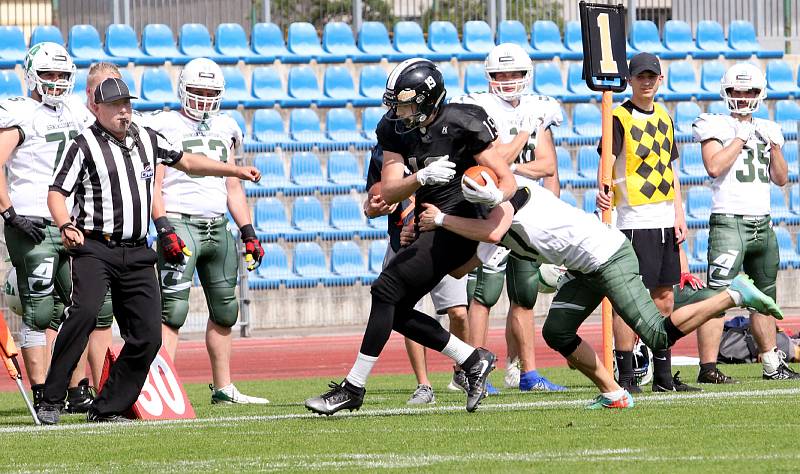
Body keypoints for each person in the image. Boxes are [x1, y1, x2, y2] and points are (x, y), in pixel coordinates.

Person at [419, 174, 783, 409]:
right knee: (557, 332)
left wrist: (441, 219)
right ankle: (613, 392)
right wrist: (430, 236)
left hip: (609, 256)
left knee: (656, 334)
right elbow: (461, 266)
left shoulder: (515, 203)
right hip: (584, 266)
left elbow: (494, 232)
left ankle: (733, 294)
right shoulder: (496, 215)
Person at [36, 77, 261, 425]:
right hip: (96, 247)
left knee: (148, 336)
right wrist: (66, 224)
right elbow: (56, 193)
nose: (124, 112)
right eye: (116, 106)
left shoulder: (146, 137)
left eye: (128, 104)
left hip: (138, 251)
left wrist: (234, 170)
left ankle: (107, 407)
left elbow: (188, 162)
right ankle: (51, 400)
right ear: (97, 108)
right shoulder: (83, 145)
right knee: (83, 315)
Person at [304, 58, 517, 415]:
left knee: (385, 290)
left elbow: (506, 179)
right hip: (428, 223)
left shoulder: (464, 121)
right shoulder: (394, 130)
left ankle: (354, 388)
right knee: (396, 311)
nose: (398, 112)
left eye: (405, 104)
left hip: (461, 221)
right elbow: (387, 191)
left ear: (427, 99)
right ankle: (471, 359)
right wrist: (419, 179)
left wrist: (494, 197)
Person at [149, 58, 268, 404]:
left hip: (218, 225)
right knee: (172, 312)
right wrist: (163, 226)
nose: (203, 99)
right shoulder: (164, 124)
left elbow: (233, 186)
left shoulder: (227, 126)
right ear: (183, 89)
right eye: (197, 91)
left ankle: (223, 387)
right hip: (180, 221)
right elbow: (154, 185)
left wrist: (248, 231)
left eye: (210, 93)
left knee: (226, 311)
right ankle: (161, 390)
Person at [450, 42, 565, 393]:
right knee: (484, 294)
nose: (508, 80)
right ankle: (474, 373)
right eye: (501, 73)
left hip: (529, 209)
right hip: (494, 208)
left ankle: (529, 374)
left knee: (525, 295)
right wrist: (518, 145)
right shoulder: (479, 108)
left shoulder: (538, 107)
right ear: (489, 77)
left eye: (514, 73)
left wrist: (509, 166)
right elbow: (489, 161)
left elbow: (548, 165)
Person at [0, 42, 105, 413]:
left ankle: (76, 389)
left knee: (87, 308)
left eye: (62, 75)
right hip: (30, 221)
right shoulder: (20, 112)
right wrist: (10, 213)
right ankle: (45, 393)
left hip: (70, 222)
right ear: (30, 74)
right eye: (48, 74)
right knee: (39, 312)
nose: (56, 82)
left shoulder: (75, 111)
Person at [595, 52, 699, 393]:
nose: (646, 81)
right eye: (640, 76)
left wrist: (679, 214)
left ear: (660, 79)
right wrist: (603, 192)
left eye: (651, 76)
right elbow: (607, 162)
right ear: (630, 79)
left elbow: (671, 170)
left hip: (663, 217)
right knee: (629, 298)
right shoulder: (619, 117)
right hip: (631, 220)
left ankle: (663, 376)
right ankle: (625, 374)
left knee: (665, 297)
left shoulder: (666, 117)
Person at [692, 62, 798, 382]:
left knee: (764, 298)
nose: (742, 96)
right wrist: (739, 139)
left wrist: (775, 147)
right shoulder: (715, 124)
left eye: (748, 90)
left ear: (759, 93)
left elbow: (780, 178)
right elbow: (713, 166)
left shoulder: (767, 127)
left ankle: (771, 364)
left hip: (762, 223)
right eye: (737, 90)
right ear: (726, 92)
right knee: (716, 296)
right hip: (729, 222)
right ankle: (708, 368)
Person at [363, 145, 469, 405]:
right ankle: (424, 384)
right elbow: (372, 200)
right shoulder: (384, 151)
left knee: (458, 312)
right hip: (402, 244)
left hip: (439, 240)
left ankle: (463, 369)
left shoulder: (443, 139)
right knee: (405, 311)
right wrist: (375, 208)